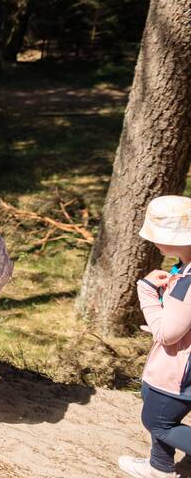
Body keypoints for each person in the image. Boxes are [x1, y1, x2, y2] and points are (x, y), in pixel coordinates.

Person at [117, 196, 191, 478]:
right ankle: (159, 467)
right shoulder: (183, 269)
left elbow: (168, 334)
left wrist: (145, 291)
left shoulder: (187, 281)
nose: (153, 240)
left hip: (179, 369)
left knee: (158, 421)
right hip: (175, 362)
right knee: (153, 401)